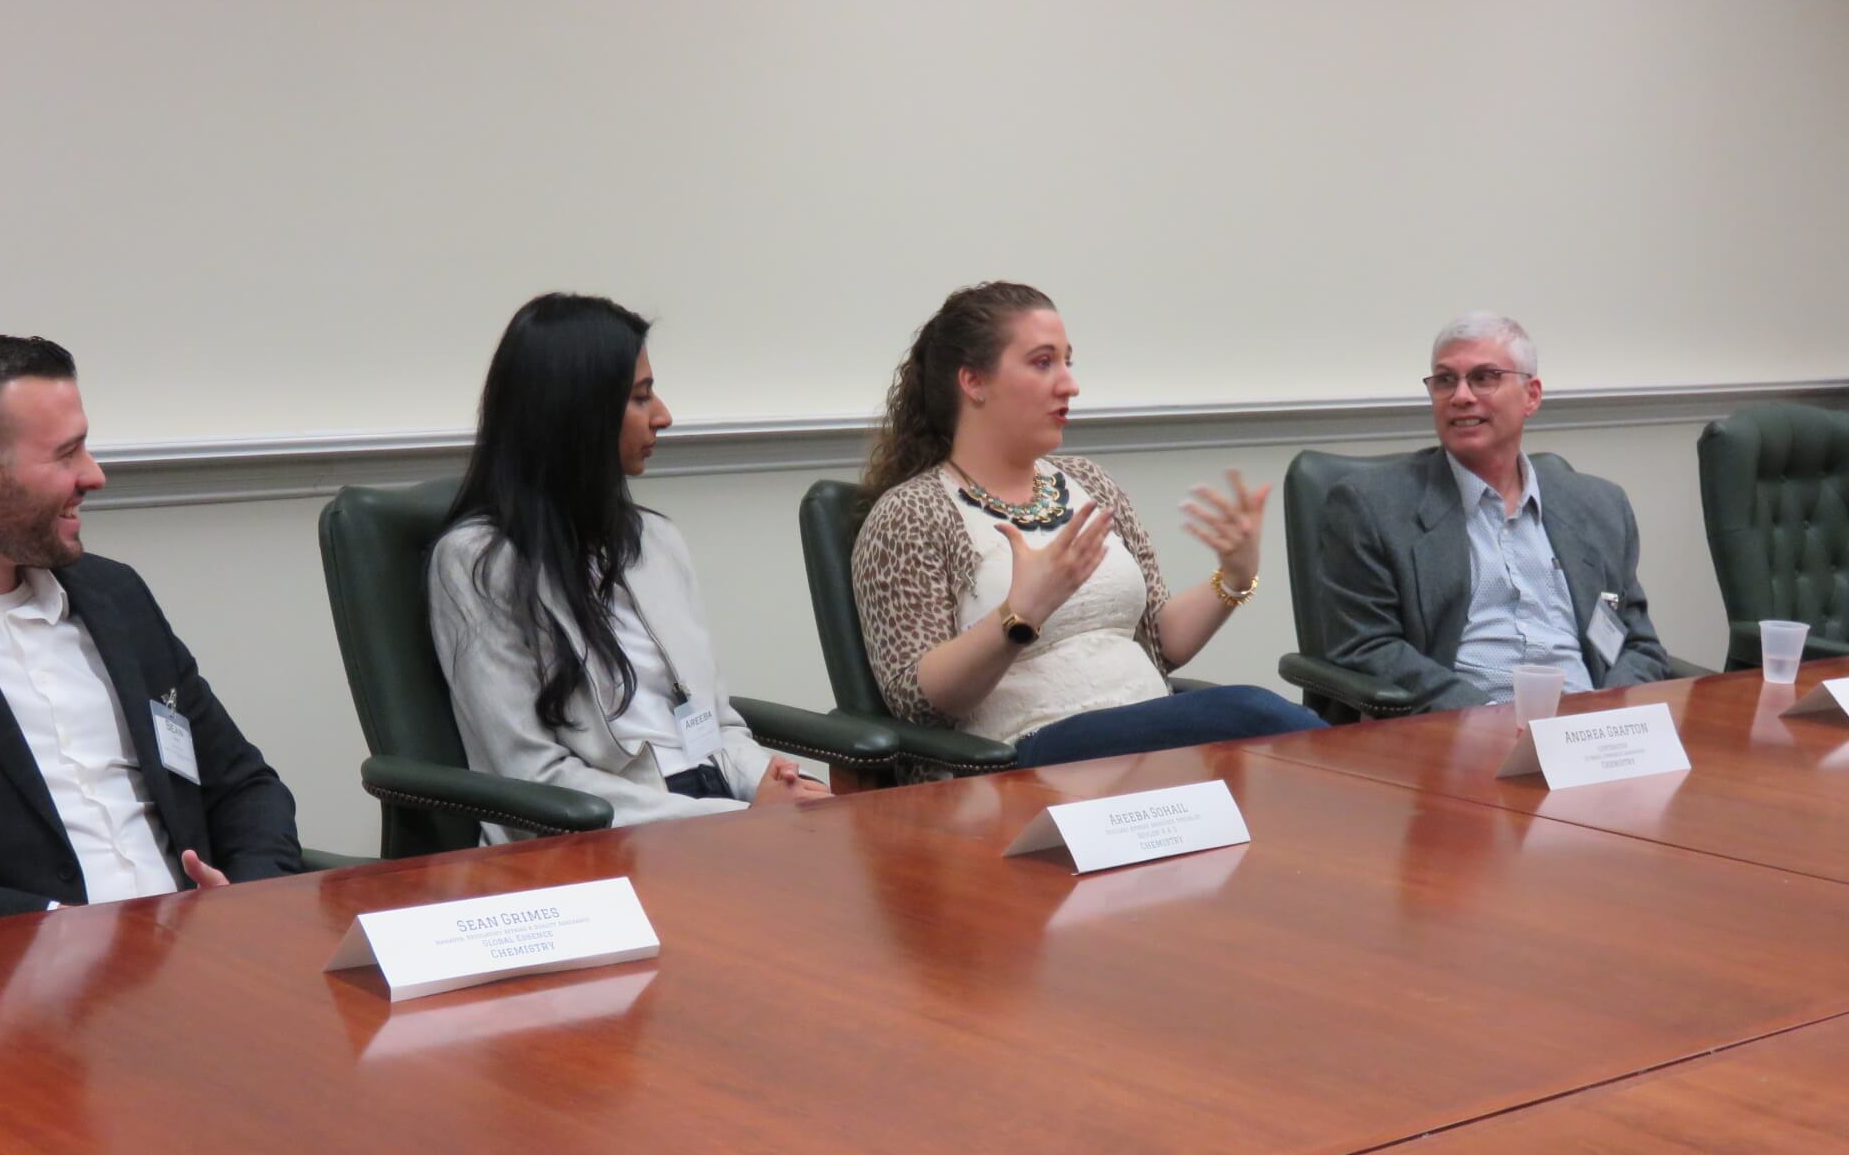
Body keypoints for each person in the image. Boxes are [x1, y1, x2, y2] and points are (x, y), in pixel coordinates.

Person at [0, 332, 300, 943]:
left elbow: (244, 784)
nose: (95, 475)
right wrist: (53, 933)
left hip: (204, 954)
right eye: (66, 454)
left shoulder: (114, 596)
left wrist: (248, 898)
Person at [851, 281, 1323, 769]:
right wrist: (1019, 615)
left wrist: (1236, 578)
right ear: (973, 382)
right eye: (1042, 363)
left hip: (1143, 732)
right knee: (1248, 710)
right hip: (1022, 758)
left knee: (1263, 747)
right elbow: (916, 700)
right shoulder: (911, 512)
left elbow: (1161, 644)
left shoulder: (1089, 481)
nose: (1069, 385)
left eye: (1067, 363)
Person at [428, 293, 828, 841]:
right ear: (577, 414)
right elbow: (531, 778)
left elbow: (715, 724)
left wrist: (774, 784)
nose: (663, 416)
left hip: (713, 814)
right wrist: (736, 819)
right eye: (641, 397)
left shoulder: (655, 541)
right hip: (599, 840)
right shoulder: (478, 564)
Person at [1317, 312, 1671, 711]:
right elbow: (1368, 646)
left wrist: (1608, 712)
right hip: (1462, 725)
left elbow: (1636, 644)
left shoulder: (1600, 506)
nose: (1461, 396)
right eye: (1445, 380)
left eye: (1484, 377)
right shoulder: (1372, 507)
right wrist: (1484, 719)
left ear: (1531, 396)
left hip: (1590, 728)